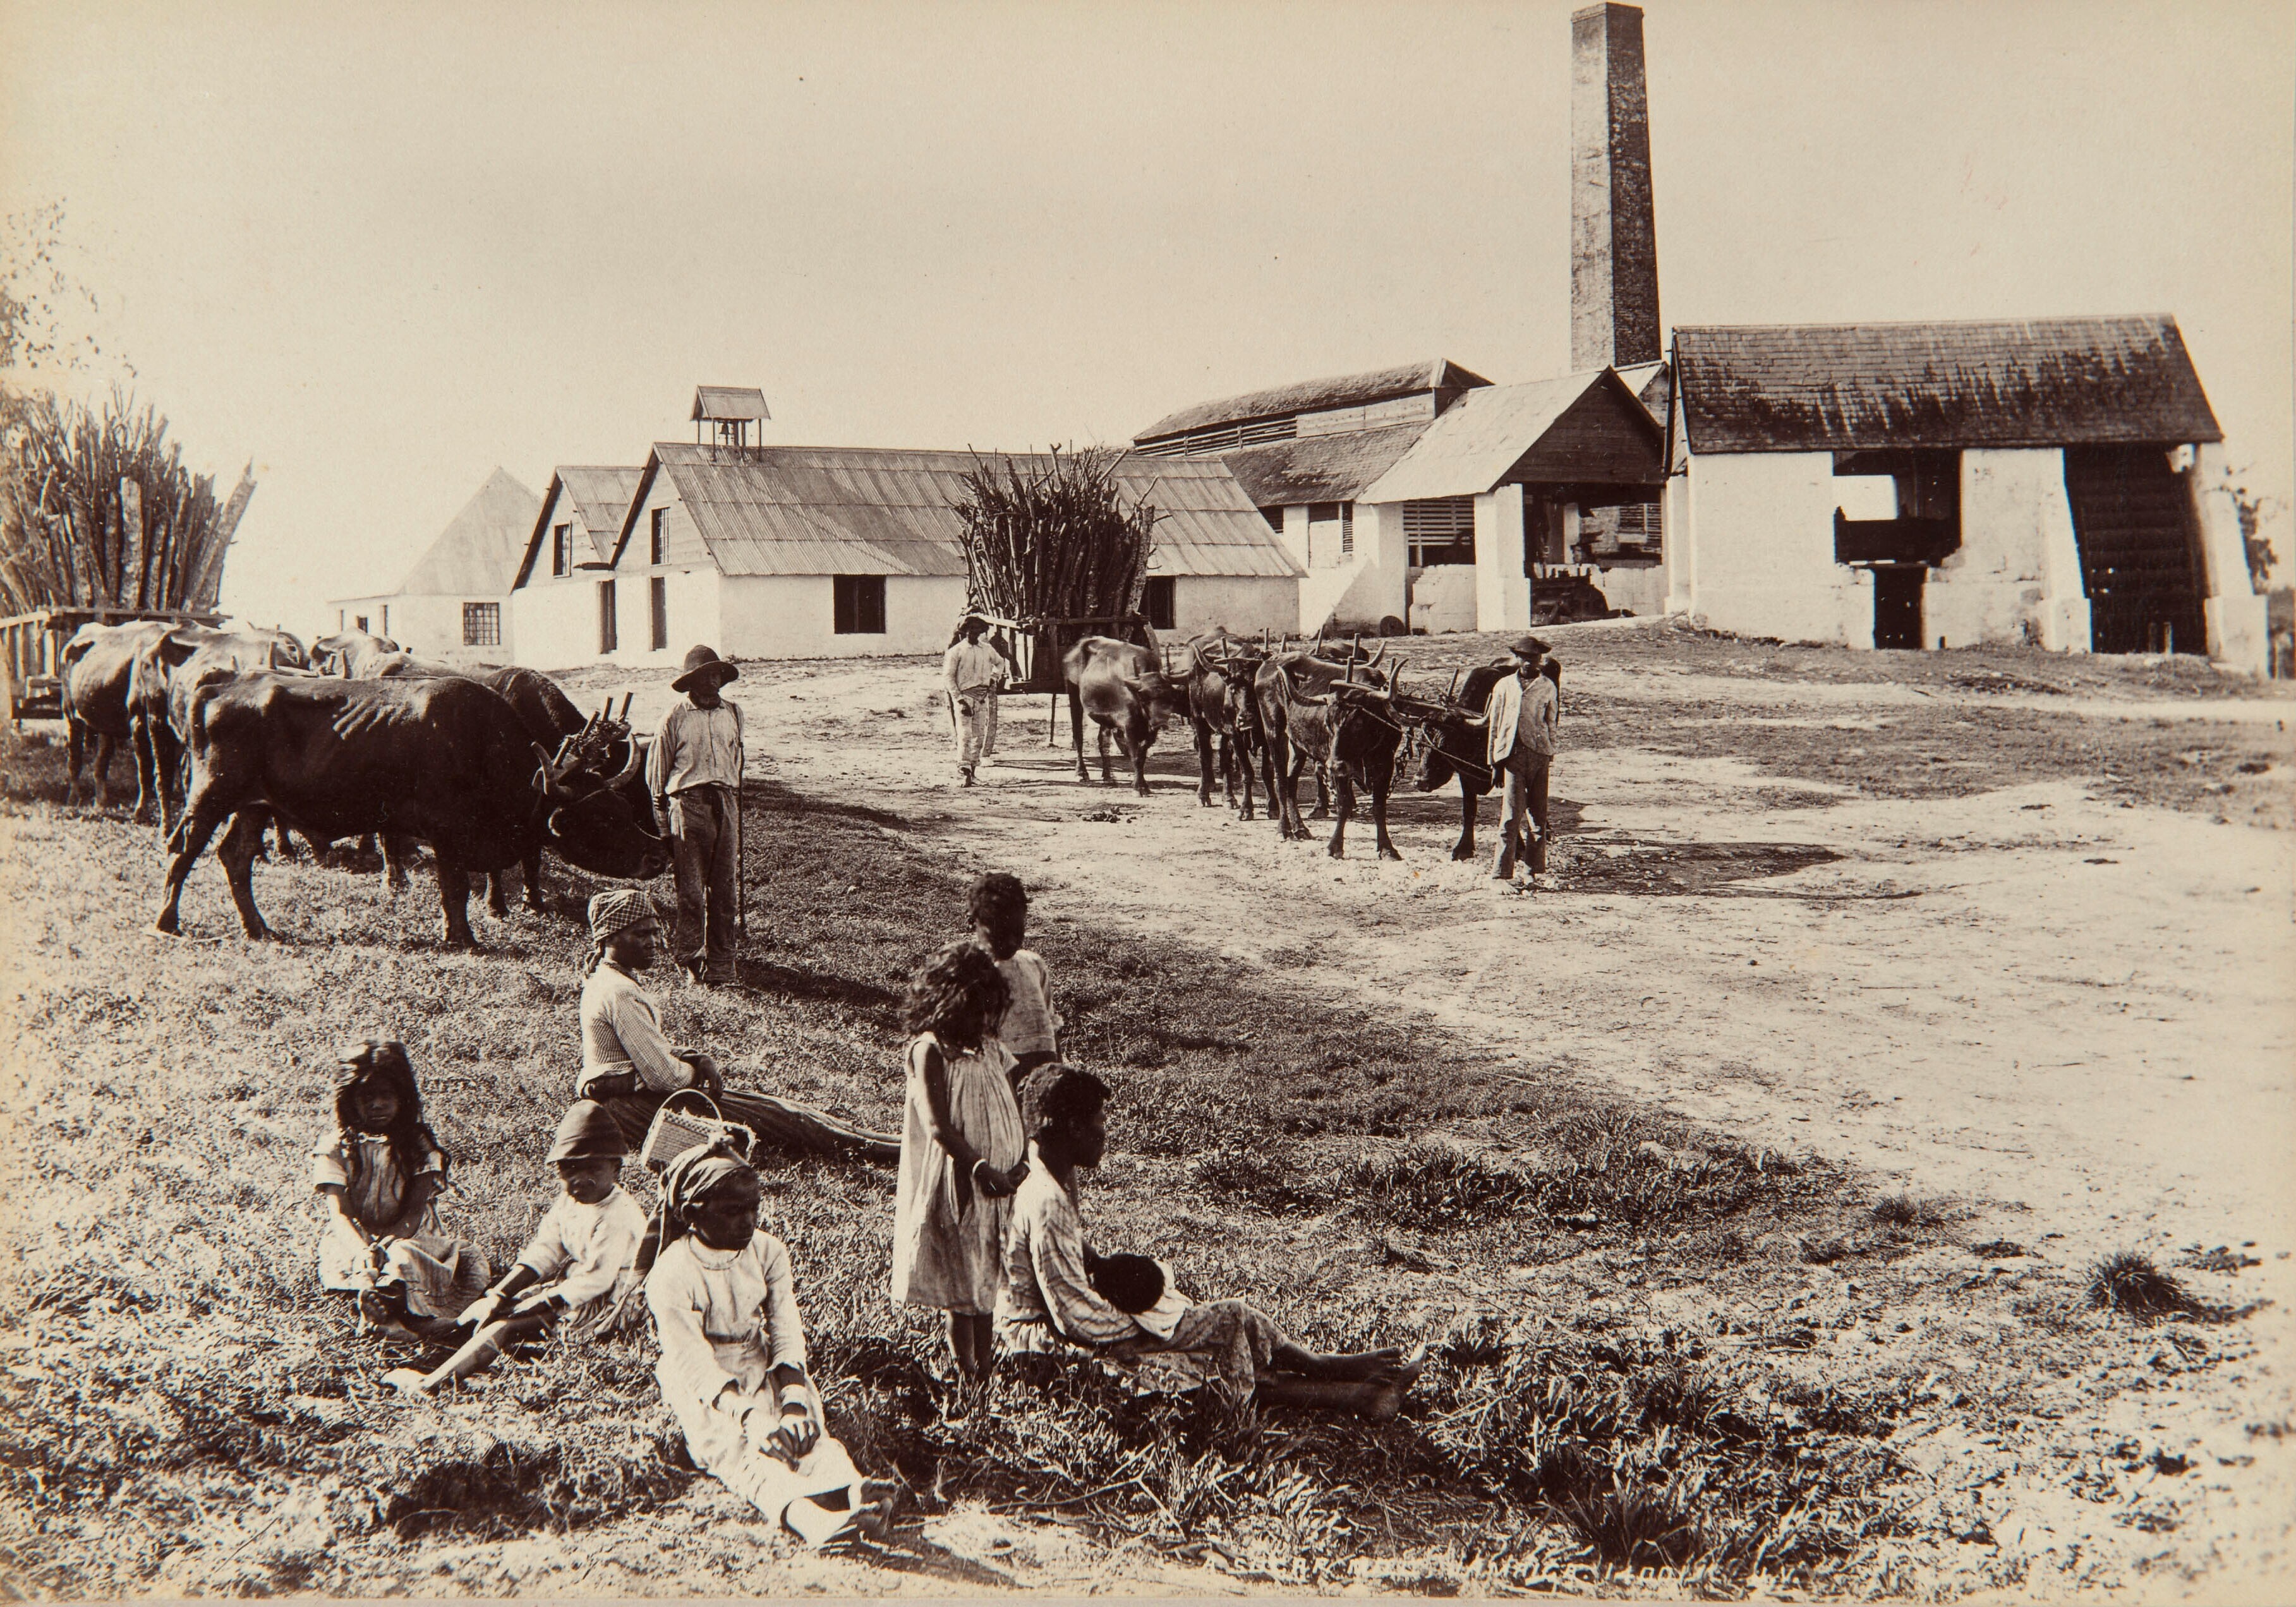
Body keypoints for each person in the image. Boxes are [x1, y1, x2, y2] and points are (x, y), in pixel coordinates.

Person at [996, 1064, 1424, 1416]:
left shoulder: (1045, 1173)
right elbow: (1071, 1313)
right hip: (1046, 1350)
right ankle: (1356, 1394)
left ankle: (1328, 1368)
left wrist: (1130, 1288)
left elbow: (1072, 1261)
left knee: (1228, 1323)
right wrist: (1151, 1330)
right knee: (1206, 1351)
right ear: (1073, 1128)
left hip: (1065, 1330)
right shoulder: (1046, 1199)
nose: (1104, 1133)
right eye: (1099, 1123)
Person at [646, 1142, 899, 1546]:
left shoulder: (767, 1251)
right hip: (706, 1382)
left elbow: (785, 1329)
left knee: (803, 1434)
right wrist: (750, 1417)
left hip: (758, 1358)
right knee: (744, 1450)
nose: (748, 1222)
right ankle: (810, 1521)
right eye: (732, 1211)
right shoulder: (671, 1274)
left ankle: (850, 1493)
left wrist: (794, 1401)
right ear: (692, 1214)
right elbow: (692, 1362)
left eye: (753, 1208)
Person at [577, 889, 899, 1163]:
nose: (653, 942)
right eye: (640, 934)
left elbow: (650, 1053)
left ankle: (889, 1141)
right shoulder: (619, 991)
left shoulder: (611, 981)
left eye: (655, 932)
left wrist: (694, 1057)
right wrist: (697, 1072)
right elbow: (665, 1078)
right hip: (634, 1110)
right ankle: (890, 1151)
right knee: (784, 1119)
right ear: (609, 938)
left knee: (782, 1109)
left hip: (637, 1101)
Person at [382, 1101, 646, 1397]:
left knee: (507, 1325)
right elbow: (544, 1251)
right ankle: (428, 1334)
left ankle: (432, 1384)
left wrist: (535, 1304)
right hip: (573, 1288)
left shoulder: (617, 1215)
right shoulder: (569, 1203)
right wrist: (499, 1295)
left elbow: (597, 1279)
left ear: (616, 1168)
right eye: (569, 1170)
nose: (580, 1180)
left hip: (606, 1301)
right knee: (491, 1310)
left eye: (593, 1168)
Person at [891, 940, 1028, 1380]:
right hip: (962, 1178)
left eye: (988, 1012)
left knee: (986, 1275)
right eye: (973, 1012)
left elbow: (1014, 1103)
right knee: (962, 1280)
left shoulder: (990, 1048)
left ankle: (985, 1365)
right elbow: (938, 1125)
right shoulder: (931, 1049)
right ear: (947, 1004)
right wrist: (979, 1168)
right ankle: (966, 1367)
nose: (982, 1022)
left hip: (1001, 1183)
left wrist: (1021, 1161)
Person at [311, 1040, 490, 1341]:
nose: (377, 1105)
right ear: (348, 1100)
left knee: (402, 1258)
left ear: (403, 1097)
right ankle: (383, 1311)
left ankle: (394, 1314)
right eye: (366, 1097)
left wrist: (389, 1243)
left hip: (411, 1233)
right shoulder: (336, 1147)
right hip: (356, 1235)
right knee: (360, 1263)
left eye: (387, 1095)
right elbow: (340, 1214)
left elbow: (414, 1212)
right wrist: (364, 1250)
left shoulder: (417, 1145)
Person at [650, 644, 746, 987]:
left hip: (726, 803)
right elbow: (657, 779)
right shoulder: (674, 717)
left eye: (717, 675)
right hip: (688, 806)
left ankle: (722, 964)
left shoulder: (734, 713)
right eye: (704, 676)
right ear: (690, 681)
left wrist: (731, 800)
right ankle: (692, 960)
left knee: (725, 892)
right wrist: (664, 827)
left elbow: (736, 761)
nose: (712, 682)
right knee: (691, 892)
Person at [1471, 635, 1559, 886]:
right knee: (1510, 818)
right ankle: (1502, 873)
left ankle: (1533, 870)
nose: (1530, 663)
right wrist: (1495, 763)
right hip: (1512, 757)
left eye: (1535, 658)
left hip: (1539, 755)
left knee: (1538, 817)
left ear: (1540, 660)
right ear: (1517, 659)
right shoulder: (1504, 686)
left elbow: (1551, 722)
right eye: (1525, 658)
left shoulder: (1547, 686)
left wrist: (1550, 751)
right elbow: (1495, 726)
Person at [967, 871, 1062, 1075]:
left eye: (1018, 931)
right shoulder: (970, 971)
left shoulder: (1033, 965)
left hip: (1041, 1072)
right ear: (975, 922)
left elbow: (1051, 1025)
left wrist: (1059, 1072)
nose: (1011, 941)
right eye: (1000, 933)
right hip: (997, 1075)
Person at [942, 613, 1007, 786]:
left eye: (978, 630)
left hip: (982, 698)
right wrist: (959, 700)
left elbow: (1000, 663)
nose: (974, 633)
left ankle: (973, 773)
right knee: (965, 735)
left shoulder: (987, 649)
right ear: (964, 631)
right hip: (964, 698)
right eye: (971, 629)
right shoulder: (956, 651)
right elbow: (948, 677)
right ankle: (964, 773)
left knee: (979, 736)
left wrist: (994, 678)